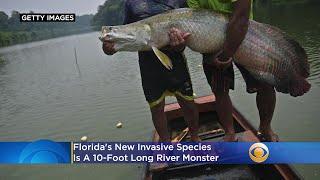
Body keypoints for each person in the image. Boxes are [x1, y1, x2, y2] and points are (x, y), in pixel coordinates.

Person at [170, 0, 278, 141]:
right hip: (211, 36)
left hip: (244, 34)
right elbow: (196, 19)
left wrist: (227, 52)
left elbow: (240, 18)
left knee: (266, 84)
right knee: (220, 89)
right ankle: (229, 132)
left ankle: (265, 127)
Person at [102, 0, 201, 142]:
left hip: (176, 61)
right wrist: (110, 47)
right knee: (156, 108)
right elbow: (128, 32)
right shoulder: (131, 3)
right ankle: (165, 145)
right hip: (148, 65)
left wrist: (180, 45)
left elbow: (192, 28)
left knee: (188, 103)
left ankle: (195, 138)